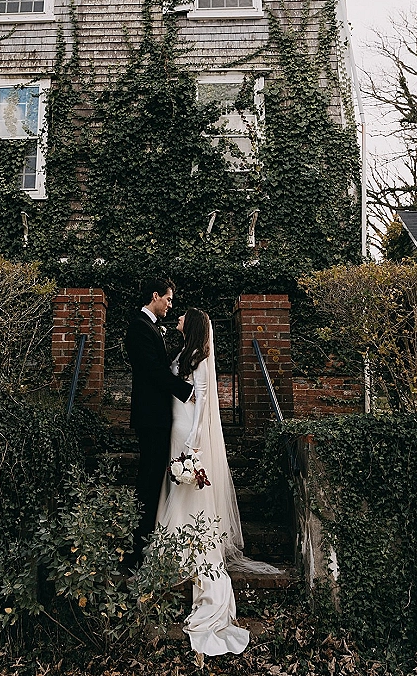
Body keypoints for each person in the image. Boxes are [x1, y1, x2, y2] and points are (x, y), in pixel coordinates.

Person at [156, 307, 279, 663]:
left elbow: (206, 399)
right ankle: (173, 543)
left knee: (188, 490)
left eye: (182, 317)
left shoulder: (199, 357)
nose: (176, 317)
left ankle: (188, 549)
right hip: (175, 427)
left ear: (191, 326)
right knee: (175, 489)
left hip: (188, 433)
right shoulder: (181, 353)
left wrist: (194, 445)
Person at [124, 277, 193, 566]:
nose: (170, 304)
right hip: (150, 417)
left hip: (157, 416)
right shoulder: (139, 327)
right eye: (168, 299)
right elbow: (152, 370)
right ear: (155, 296)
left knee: (153, 480)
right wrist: (185, 390)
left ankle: (145, 544)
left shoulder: (151, 326)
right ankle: (135, 553)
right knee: (148, 482)